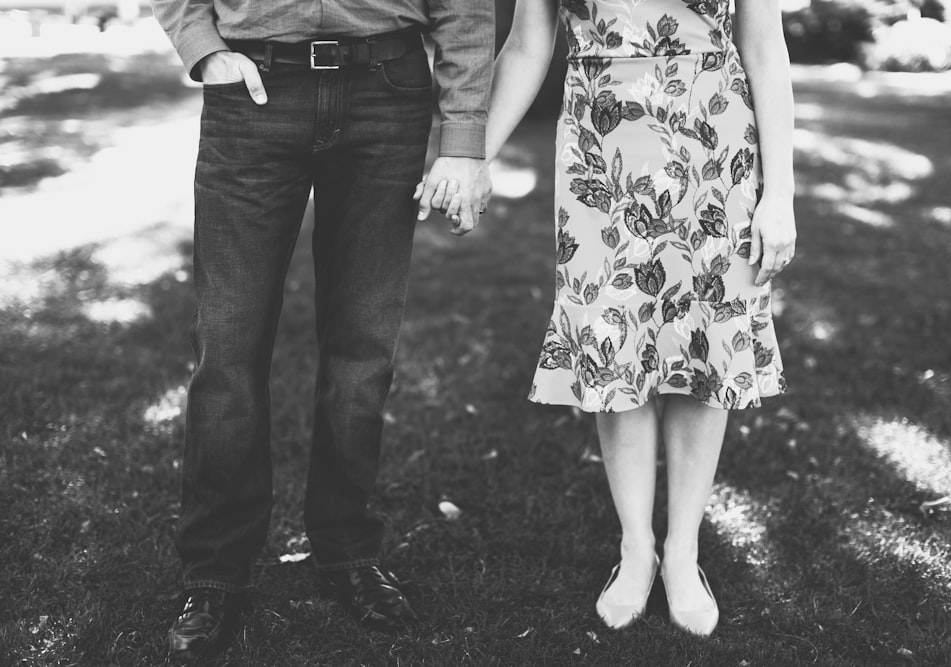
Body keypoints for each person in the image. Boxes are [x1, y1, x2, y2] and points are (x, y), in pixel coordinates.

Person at [429, 0, 794, 636]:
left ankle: (683, 552)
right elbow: (526, 46)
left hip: (715, 146)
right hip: (602, 150)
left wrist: (780, 195)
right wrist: (470, 157)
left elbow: (764, 47)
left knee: (703, 348)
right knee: (611, 346)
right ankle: (635, 549)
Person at [149, 0, 494, 660]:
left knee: (363, 350)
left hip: (386, 93)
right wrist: (201, 46)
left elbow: (466, 9)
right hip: (251, 90)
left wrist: (464, 139)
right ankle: (215, 571)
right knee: (228, 347)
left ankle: (346, 552)